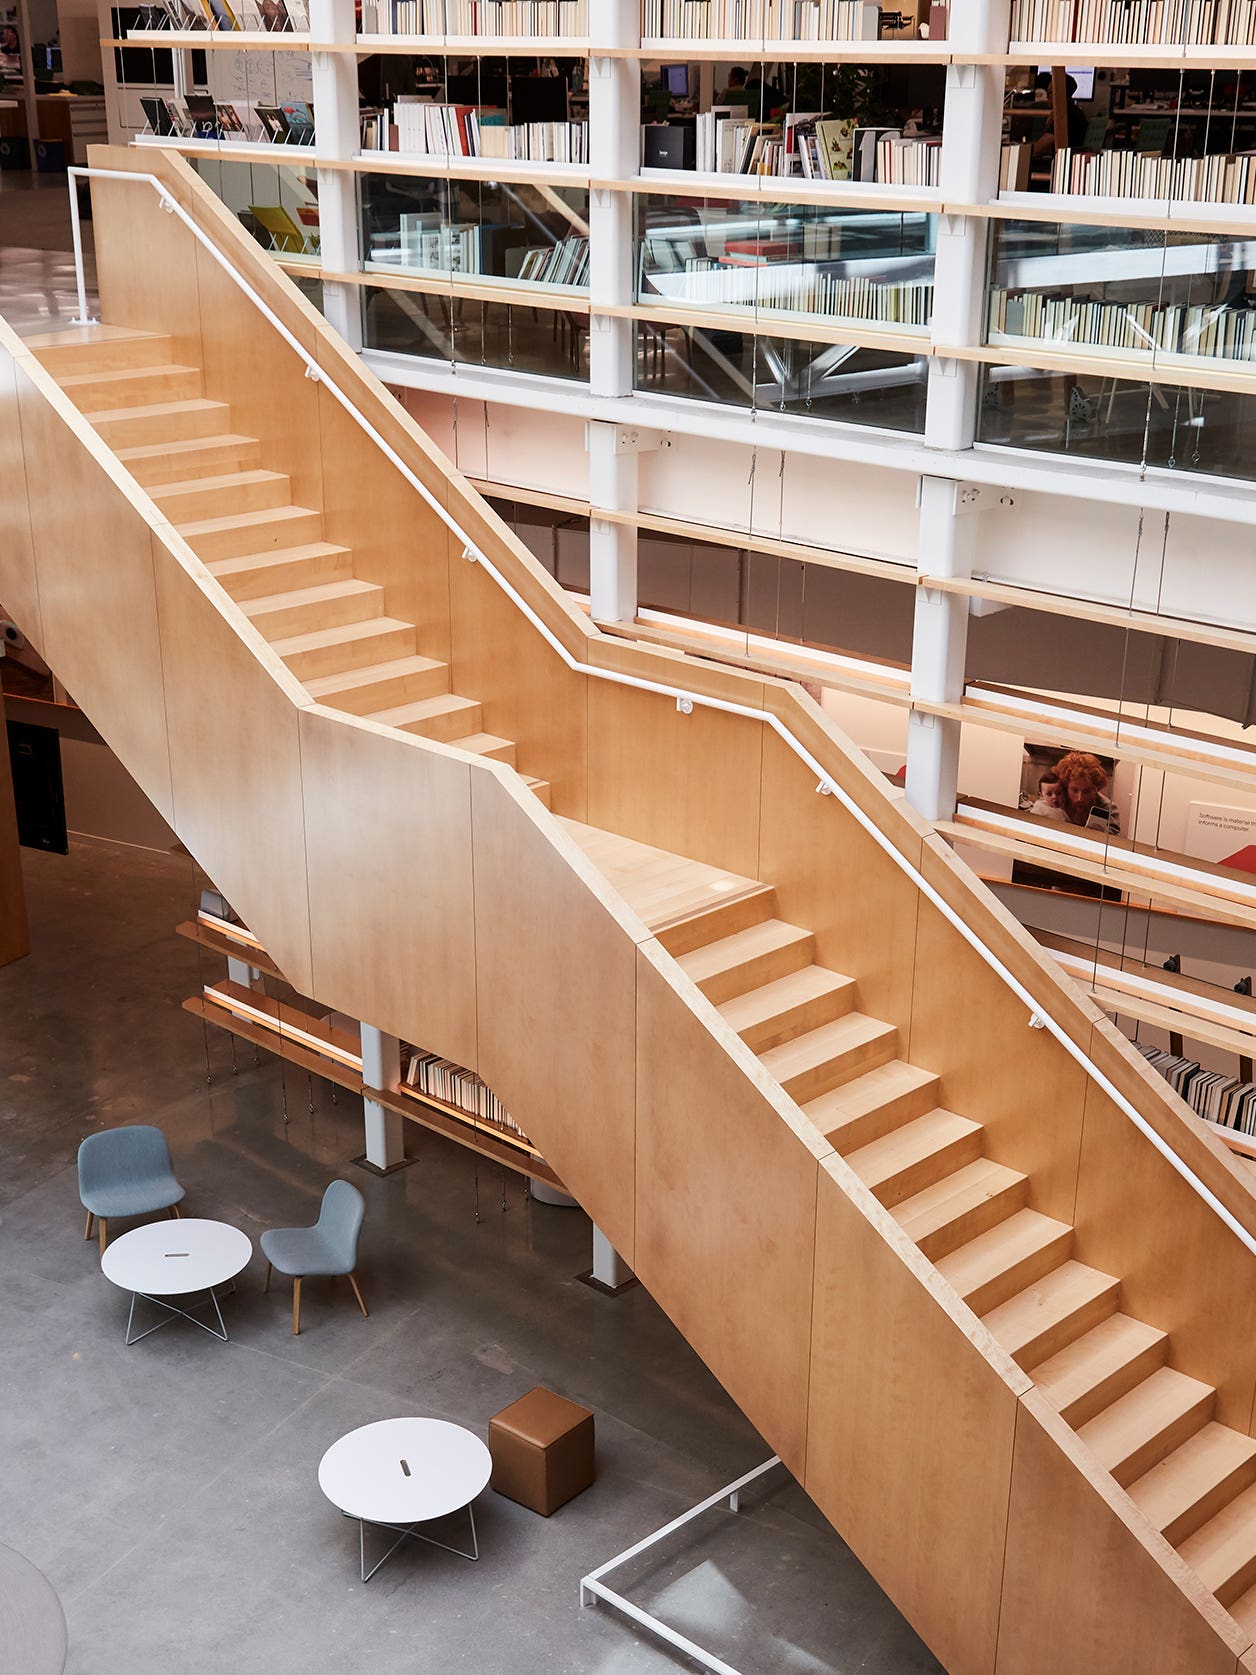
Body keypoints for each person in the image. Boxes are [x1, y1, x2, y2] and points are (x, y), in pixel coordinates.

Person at [1052, 750, 1119, 834]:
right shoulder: (1056, 801)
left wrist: (1102, 835)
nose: (1080, 798)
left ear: (1095, 789)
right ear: (1066, 786)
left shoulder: (1108, 808)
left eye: (1086, 791)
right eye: (1074, 790)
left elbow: (1113, 839)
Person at [1031, 71, 1089, 160]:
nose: (1047, 97)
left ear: (1058, 93)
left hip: (1062, 163)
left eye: (1049, 92)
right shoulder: (1075, 111)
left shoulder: (1064, 116)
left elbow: (1038, 148)